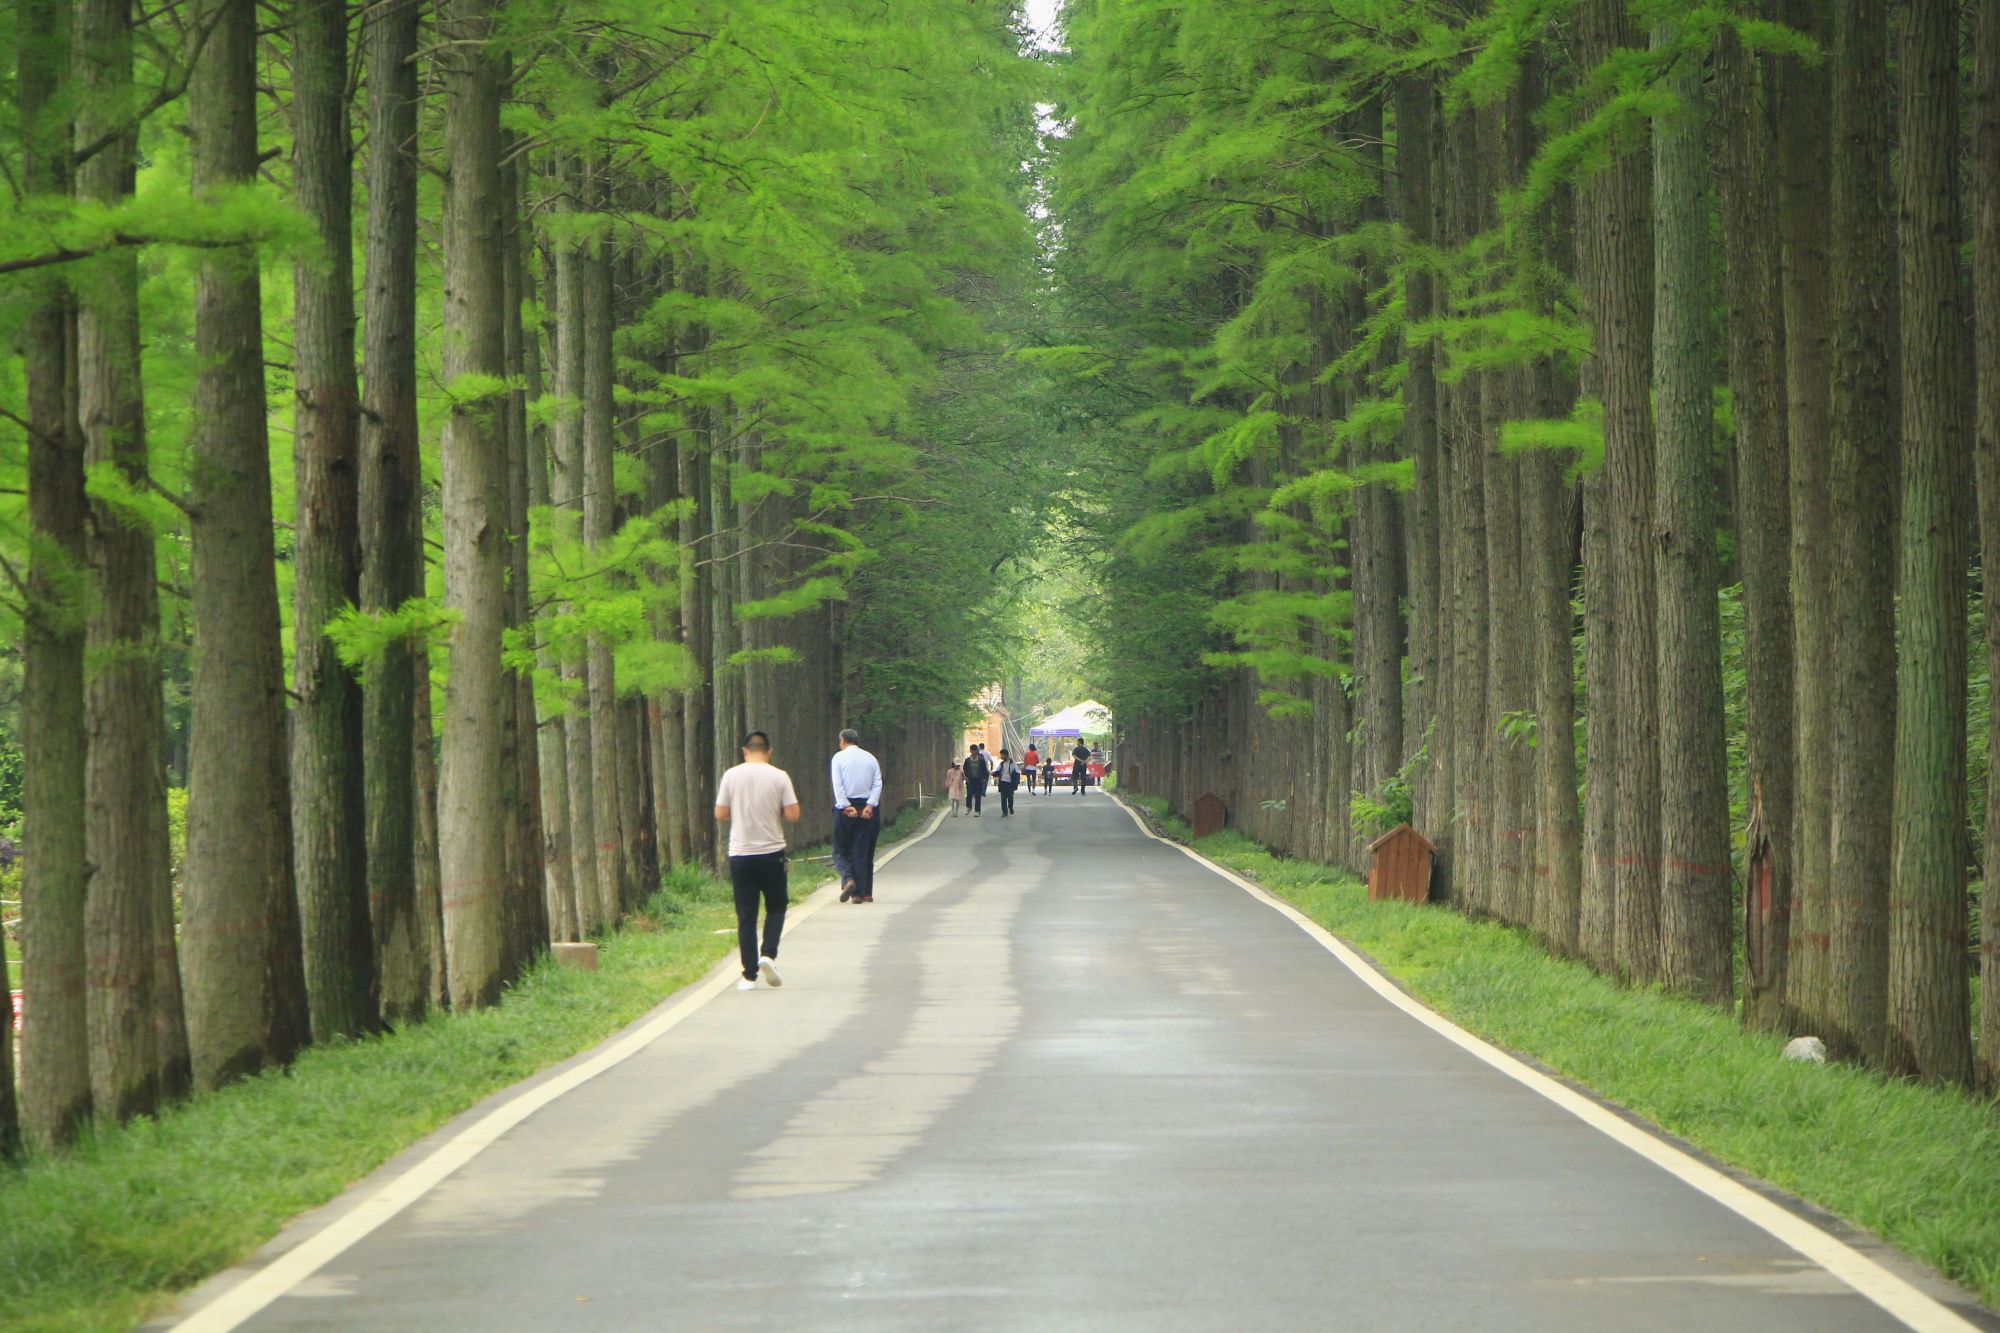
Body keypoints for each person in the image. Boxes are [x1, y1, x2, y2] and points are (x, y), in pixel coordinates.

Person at [713, 730, 801, 990]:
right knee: (776, 906)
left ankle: (748, 975)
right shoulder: (779, 776)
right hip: (772, 852)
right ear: (769, 751)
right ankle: (768, 955)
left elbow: (720, 813)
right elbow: (793, 813)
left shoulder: (731, 775)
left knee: (746, 915)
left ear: (745, 751)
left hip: (741, 853)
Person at [830, 728, 883, 904]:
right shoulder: (871, 758)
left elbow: (838, 785)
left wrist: (846, 806)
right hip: (868, 807)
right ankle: (864, 892)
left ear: (842, 741)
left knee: (840, 849)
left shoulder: (838, 757)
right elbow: (877, 783)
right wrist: (870, 805)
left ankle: (848, 880)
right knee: (863, 850)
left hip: (846, 808)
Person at [962, 743, 990, 816]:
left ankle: (977, 811)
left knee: (978, 796)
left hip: (978, 780)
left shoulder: (981, 760)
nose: (975, 752)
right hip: (970, 780)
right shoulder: (967, 760)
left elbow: (985, 770)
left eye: (976, 750)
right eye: (973, 750)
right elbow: (964, 769)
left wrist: (984, 779)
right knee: (969, 794)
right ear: (971, 751)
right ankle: (968, 807)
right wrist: (966, 777)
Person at [994, 748, 1022, 817]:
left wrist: (1016, 783)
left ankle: (1010, 807)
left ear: (1006, 755)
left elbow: (1017, 773)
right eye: (1001, 755)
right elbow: (997, 771)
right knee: (1003, 798)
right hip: (1003, 782)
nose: (1001, 756)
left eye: (1002, 755)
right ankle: (1004, 812)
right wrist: (993, 773)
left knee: (1010, 798)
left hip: (1010, 783)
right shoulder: (1001, 764)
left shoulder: (1013, 763)